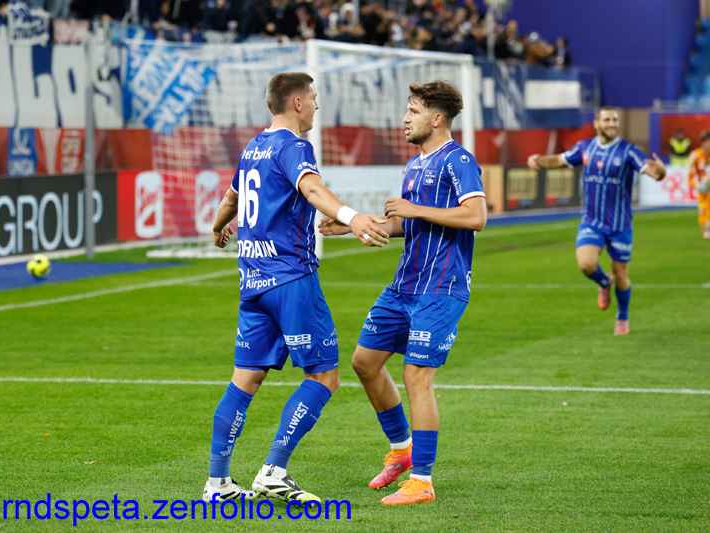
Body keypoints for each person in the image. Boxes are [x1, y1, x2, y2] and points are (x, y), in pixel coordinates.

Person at [203, 71, 390, 504]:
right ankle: (273, 470)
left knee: (244, 380)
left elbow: (231, 200)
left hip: (252, 281)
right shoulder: (294, 146)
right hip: (291, 278)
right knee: (323, 376)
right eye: (314, 97)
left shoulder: (253, 147)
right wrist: (353, 218)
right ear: (298, 103)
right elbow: (311, 187)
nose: (318, 105)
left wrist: (216, 228)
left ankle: (217, 483)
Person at [320, 79, 487, 505]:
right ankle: (401, 450)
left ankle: (423, 482)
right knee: (364, 363)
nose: (405, 119)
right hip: (404, 285)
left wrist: (414, 209)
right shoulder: (413, 166)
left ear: (437, 118)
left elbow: (476, 216)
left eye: (413, 111)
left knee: (416, 376)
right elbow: (409, 223)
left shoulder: (459, 160)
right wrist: (358, 225)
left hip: (441, 288)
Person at [527, 106, 666, 335]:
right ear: (597, 123)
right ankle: (603, 282)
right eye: (607, 120)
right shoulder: (585, 147)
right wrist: (539, 161)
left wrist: (660, 172)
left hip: (620, 224)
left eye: (614, 120)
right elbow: (561, 160)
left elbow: (652, 172)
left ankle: (622, 317)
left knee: (621, 274)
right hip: (592, 220)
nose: (611, 124)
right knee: (586, 264)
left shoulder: (628, 151)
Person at [687, 130, 710, 239]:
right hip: (703, 190)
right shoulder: (695, 155)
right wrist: (699, 186)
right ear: (704, 142)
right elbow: (689, 179)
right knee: (704, 227)